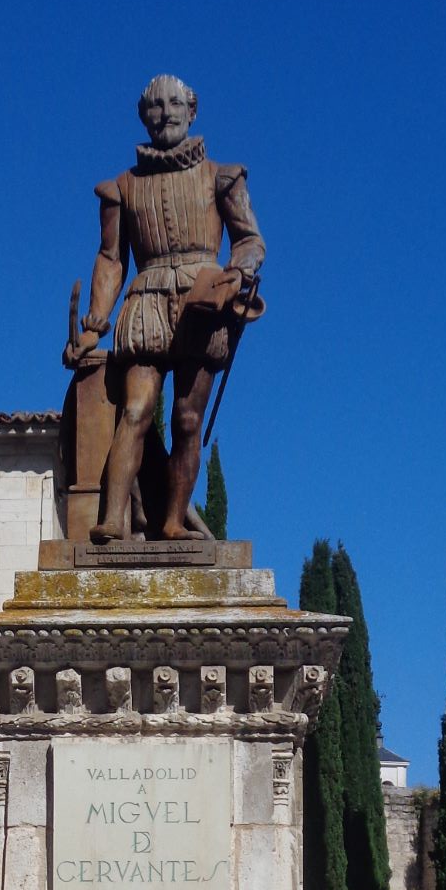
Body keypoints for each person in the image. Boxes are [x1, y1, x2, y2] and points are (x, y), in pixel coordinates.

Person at [62, 74, 265, 541]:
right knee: (136, 409)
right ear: (143, 115)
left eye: (175, 104)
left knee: (187, 420)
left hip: (204, 299)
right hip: (147, 298)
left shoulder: (223, 177)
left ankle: (172, 520)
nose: (165, 113)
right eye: (155, 106)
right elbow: (112, 258)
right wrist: (96, 324)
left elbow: (250, 240)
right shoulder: (122, 187)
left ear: (192, 112)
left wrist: (239, 272)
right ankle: (113, 517)